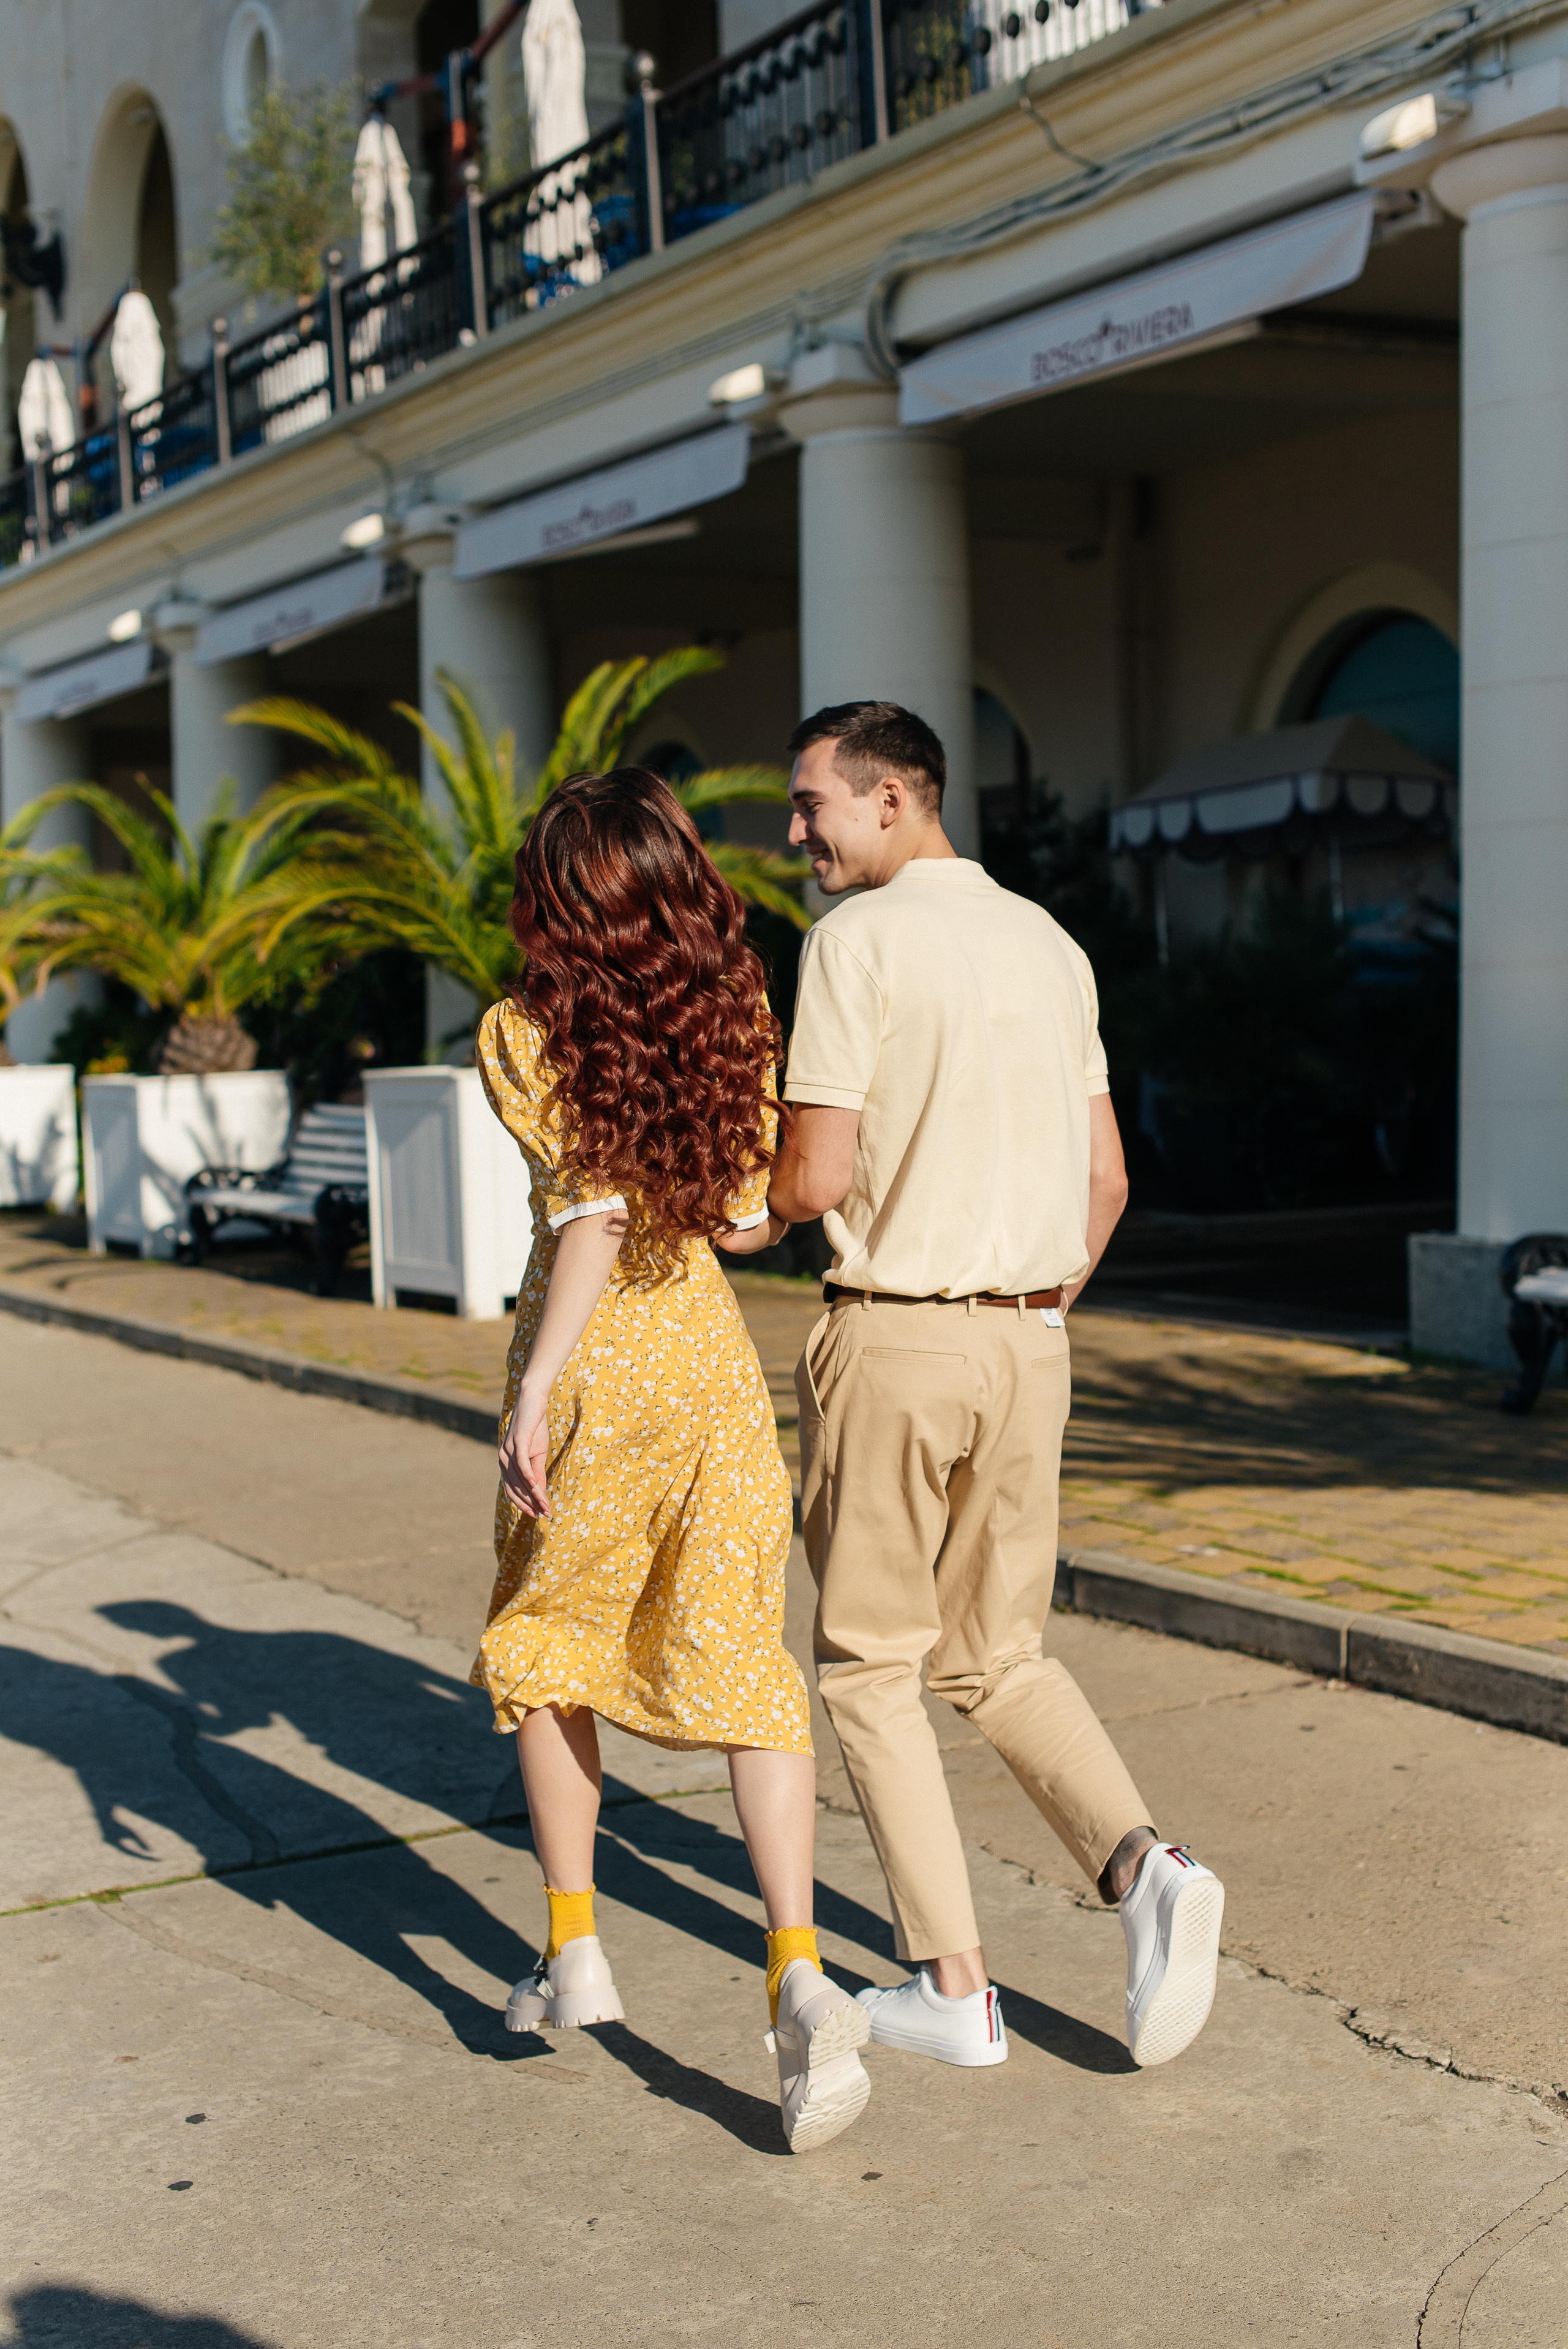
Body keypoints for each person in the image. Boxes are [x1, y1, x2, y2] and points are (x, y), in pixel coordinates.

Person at [766, 701, 1225, 2072]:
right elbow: (1108, 1180)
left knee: (866, 1665)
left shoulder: (849, 942)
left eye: (813, 807)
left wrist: (745, 1215)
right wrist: (1028, 1306)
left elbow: (818, 1177)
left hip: (897, 1331)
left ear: (895, 798)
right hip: (1032, 1342)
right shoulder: (1051, 942)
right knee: (999, 1653)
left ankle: (954, 1990)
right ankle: (1144, 1867)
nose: (794, 834)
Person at [470, 767, 872, 2154]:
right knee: (743, 1657)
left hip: (593, 1369)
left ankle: (574, 1950)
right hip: (706, 1361)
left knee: (547, 1643)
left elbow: (584, 1214)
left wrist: (532, 1389)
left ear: (560, 899)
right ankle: (798, 1972)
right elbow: (759, 1210)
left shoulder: (522, 1032)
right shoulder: (735, 1008)